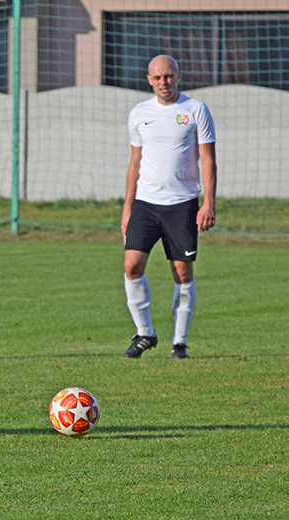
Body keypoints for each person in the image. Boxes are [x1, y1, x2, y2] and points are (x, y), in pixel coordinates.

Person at [121, 54, 217, 359]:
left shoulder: (195, 110)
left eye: (169, 76)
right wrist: (127, 207)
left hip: (182, 205)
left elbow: (207, 160)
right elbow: (135, 162)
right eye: (158, 77)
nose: (164, 83)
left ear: (179, 76)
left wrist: (208, 203)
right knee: (131, 265)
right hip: (146, 205)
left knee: (181, 272)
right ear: (149, 80)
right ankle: (145, 334)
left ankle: (179, 342)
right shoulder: (139, 113)